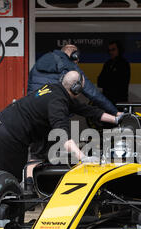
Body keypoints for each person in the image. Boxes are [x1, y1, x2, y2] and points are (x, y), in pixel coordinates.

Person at [0, 71, 124, 196]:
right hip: (11, 135)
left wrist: (116, 118)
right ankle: (8, 221)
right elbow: (64, 137)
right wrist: (83, 157)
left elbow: (88, 110)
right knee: (9, 182)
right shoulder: (58, 103)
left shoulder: (54, 90)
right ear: (77, 88)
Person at [27, 44, 121, 181]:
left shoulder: (38, 64)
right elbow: (93, 94)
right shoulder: (69, 66)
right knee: (63, 153)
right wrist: (114, 112)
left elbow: (30, 90)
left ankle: (30, 189)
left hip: (36, 115)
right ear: (74, 56)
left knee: (36, 156)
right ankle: (59, 189)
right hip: (58, 114)